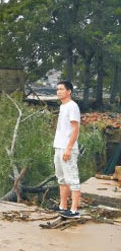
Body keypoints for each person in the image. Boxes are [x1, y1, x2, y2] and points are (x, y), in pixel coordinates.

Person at [53, 80, 81, 218]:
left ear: (69, 91)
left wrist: (68, 149)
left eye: (61, 89)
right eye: (57, 89)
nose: (59, 91)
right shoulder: (63, 106)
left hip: (67, 148)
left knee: (72, 179)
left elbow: (76, 129)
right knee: (62, 179)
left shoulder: (72, 106)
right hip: (58, 147)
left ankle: (74, 210)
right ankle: (62, 206)